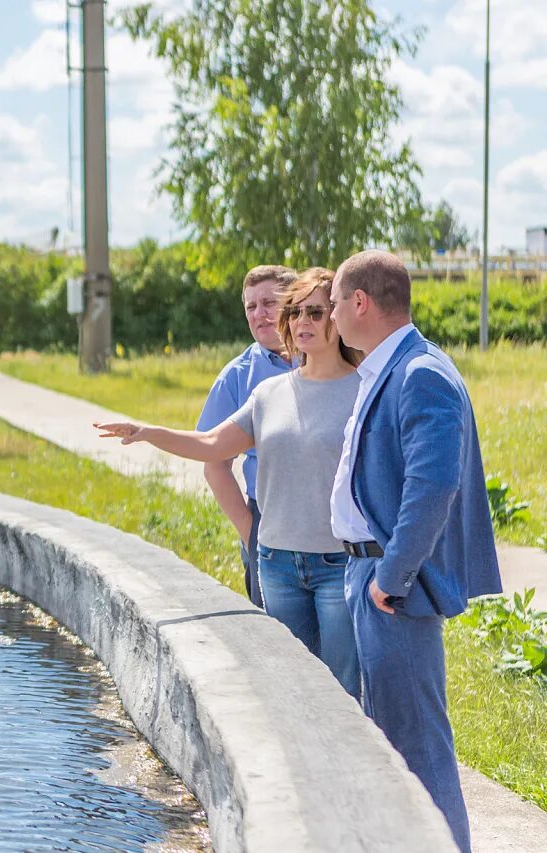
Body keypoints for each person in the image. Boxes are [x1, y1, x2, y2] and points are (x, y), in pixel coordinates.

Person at [93, 268, 363, 697]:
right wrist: (146, 431)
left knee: (341, 687)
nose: (303, 321)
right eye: (295, 312)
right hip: (277, 563)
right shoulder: (268, 392)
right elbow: (212, 445)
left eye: (315, 311)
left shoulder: (365, 390)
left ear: (338, 317)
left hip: (338, 563)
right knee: (287, 683)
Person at [329, 249, 502, 853]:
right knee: (389, 739)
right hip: (369, 575)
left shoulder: (421, 372)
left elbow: (434, 488)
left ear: (361, 303)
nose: (327, 314)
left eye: (333, 301)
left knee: (419, 746)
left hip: (391, 588)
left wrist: (390, 578)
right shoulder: (390, 366)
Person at [196, 265, 297, 607]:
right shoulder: (236, 377)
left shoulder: (327, 359)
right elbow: (213, 463)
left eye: (269, 302)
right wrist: (248, 529)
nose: (259, 314)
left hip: (328, 519)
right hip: (265, 517)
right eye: (251, 306)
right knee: (275, 639)